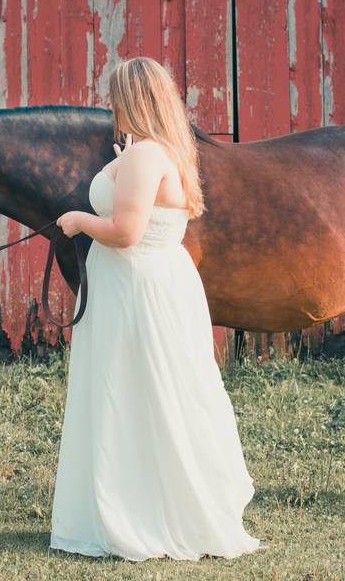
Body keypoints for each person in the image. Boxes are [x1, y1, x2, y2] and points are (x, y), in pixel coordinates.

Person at [48, 56, 264, 561]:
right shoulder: (151, 152)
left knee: (132, 391)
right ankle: (140, 502)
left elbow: (126, 232)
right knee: (140, 393)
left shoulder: (146, 156)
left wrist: (80, 219)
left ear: (133, 100)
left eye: (117, 98)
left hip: (136, 292)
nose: (111, 107)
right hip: (143, 288)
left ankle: (138, 513)